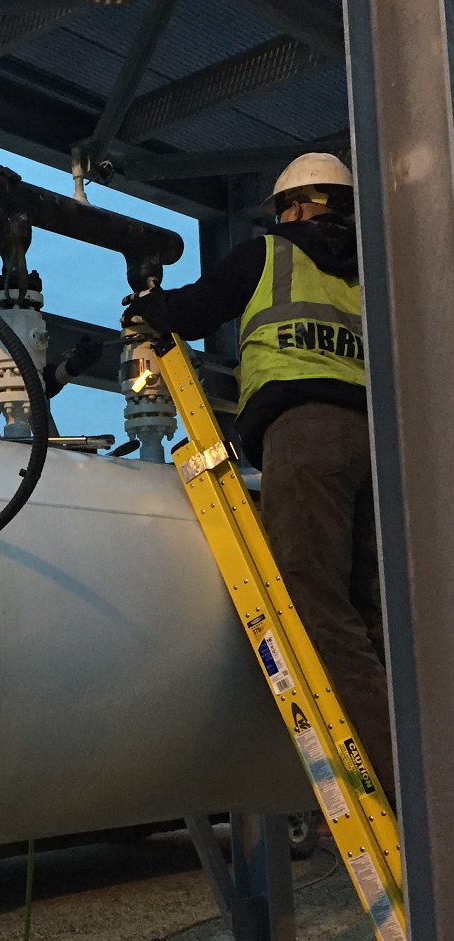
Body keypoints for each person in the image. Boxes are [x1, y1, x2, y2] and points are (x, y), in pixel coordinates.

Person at [122, 153, 394, 802]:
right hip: (376, 447)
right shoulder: (373, 273)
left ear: (290, 208)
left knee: (313, 604)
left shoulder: (266, 255)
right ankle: (420, 742)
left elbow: (191, 312)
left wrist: (145, 308)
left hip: (303, 436)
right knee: (371, 615)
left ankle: (405, 785)